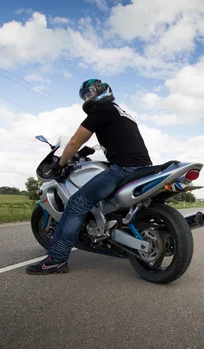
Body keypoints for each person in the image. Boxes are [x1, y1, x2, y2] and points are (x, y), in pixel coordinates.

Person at [26, 79, 152, 275]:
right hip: (143, 167)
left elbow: (75, 141)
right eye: (85, 95)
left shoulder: (101, 110)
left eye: (91, 92)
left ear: (103, 91)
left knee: (77, 204)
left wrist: (59, 164)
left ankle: (56, 260)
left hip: (124, 168)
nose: (88, 97)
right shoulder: (121, 112)